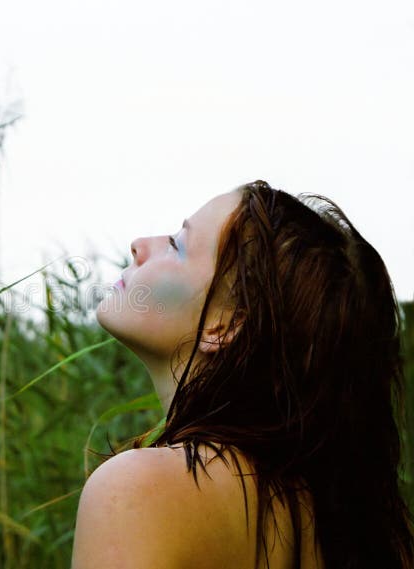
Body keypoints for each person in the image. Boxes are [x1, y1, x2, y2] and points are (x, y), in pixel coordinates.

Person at [72, 180, 414, 568]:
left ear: (226, 324)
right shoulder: (362, 529)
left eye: (177, 245)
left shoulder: (135, 491)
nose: (140, 245)